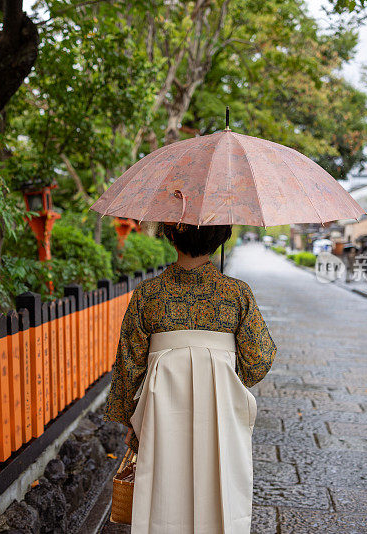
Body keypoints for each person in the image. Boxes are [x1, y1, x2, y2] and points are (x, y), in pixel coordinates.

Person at [104, 223, 276, 534]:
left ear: (169, 234)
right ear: (222, 236)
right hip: (220, 410)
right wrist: (222, 376)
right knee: (221, 490)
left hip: (160, 413)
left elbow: (129, 365)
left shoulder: (149, 295)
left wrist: (129, 421)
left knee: (164, 493)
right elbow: (259, 360)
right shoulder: (236, 293)